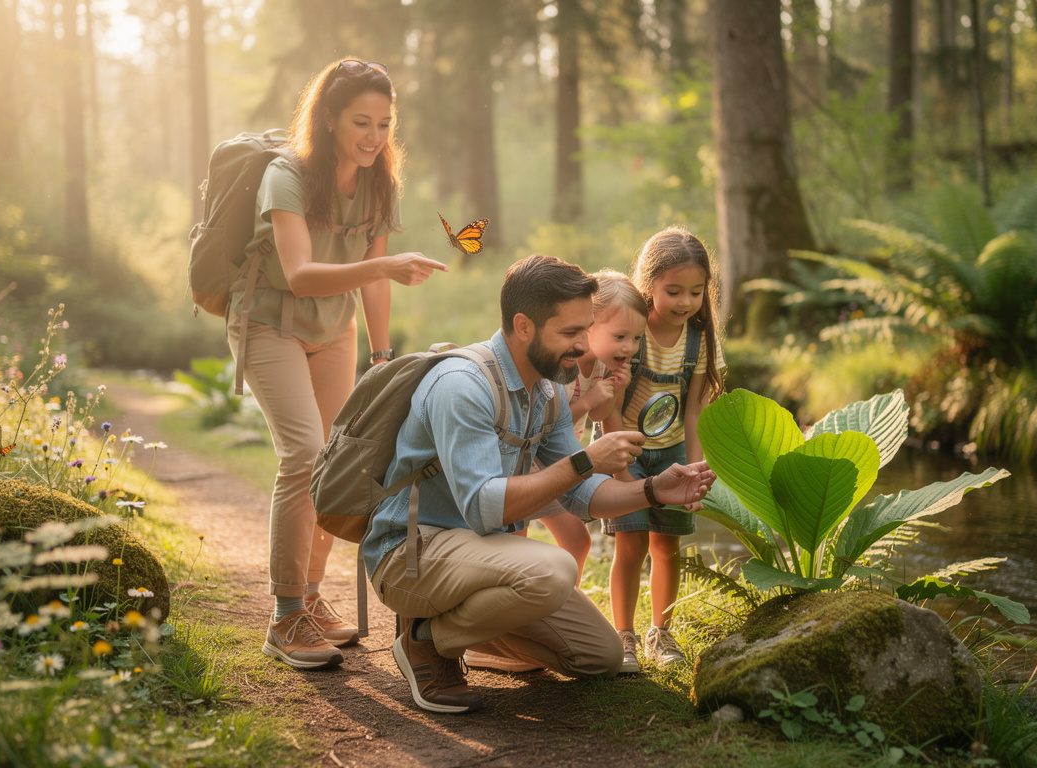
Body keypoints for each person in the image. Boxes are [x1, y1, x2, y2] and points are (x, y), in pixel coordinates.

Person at [362, 254, 716, 714]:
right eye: (570, 333)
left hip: (481, 558)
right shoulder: (463, 385)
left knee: (600, 657)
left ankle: (460, 624)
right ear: (524, 326)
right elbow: (485, 507)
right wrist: (586, 461)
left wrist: (652, 490)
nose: (583, 346)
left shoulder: (545, 394)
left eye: (586, 330)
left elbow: (583, 495)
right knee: (552, 569)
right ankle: (425, 639)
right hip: (411, 554)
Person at [227, 57, 447, 670]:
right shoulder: (287, 175)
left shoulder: (381, 183)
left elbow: (375, 285)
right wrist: (382, 265)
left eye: (384, 123)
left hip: (336, 329)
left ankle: (315, 598)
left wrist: (382, 356)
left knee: (337, 459)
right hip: (270, 321)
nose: (374, 137)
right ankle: (285, 613)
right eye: (360, 122)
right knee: (303, 452)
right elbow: (299, 273)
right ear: (327, 119)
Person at [462, 269, 648, 673]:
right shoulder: (555, 370)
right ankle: (490, 637)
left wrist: (612, 394)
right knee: (515, 541)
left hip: (564, 460)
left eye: (636, 339)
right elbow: (552, 419)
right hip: (534, 464)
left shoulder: (597, 369)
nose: (629, 347)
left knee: (578, 541)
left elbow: (596, 418)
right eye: (619, 336)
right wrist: (590, 403)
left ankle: (551, 618)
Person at [601, 226, 726, 674]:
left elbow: (693, 414)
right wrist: (620, 474)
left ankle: (661, 631)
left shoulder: (699, 341)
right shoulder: (631, 334)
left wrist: (692, 469)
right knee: (630, 549)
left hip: (673, 455)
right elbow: (609, 408)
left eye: (695, 292)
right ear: (647, 284)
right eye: (673, 291)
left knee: (667, 549)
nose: (685, 302)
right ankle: (624, 636)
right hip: (626, 455)